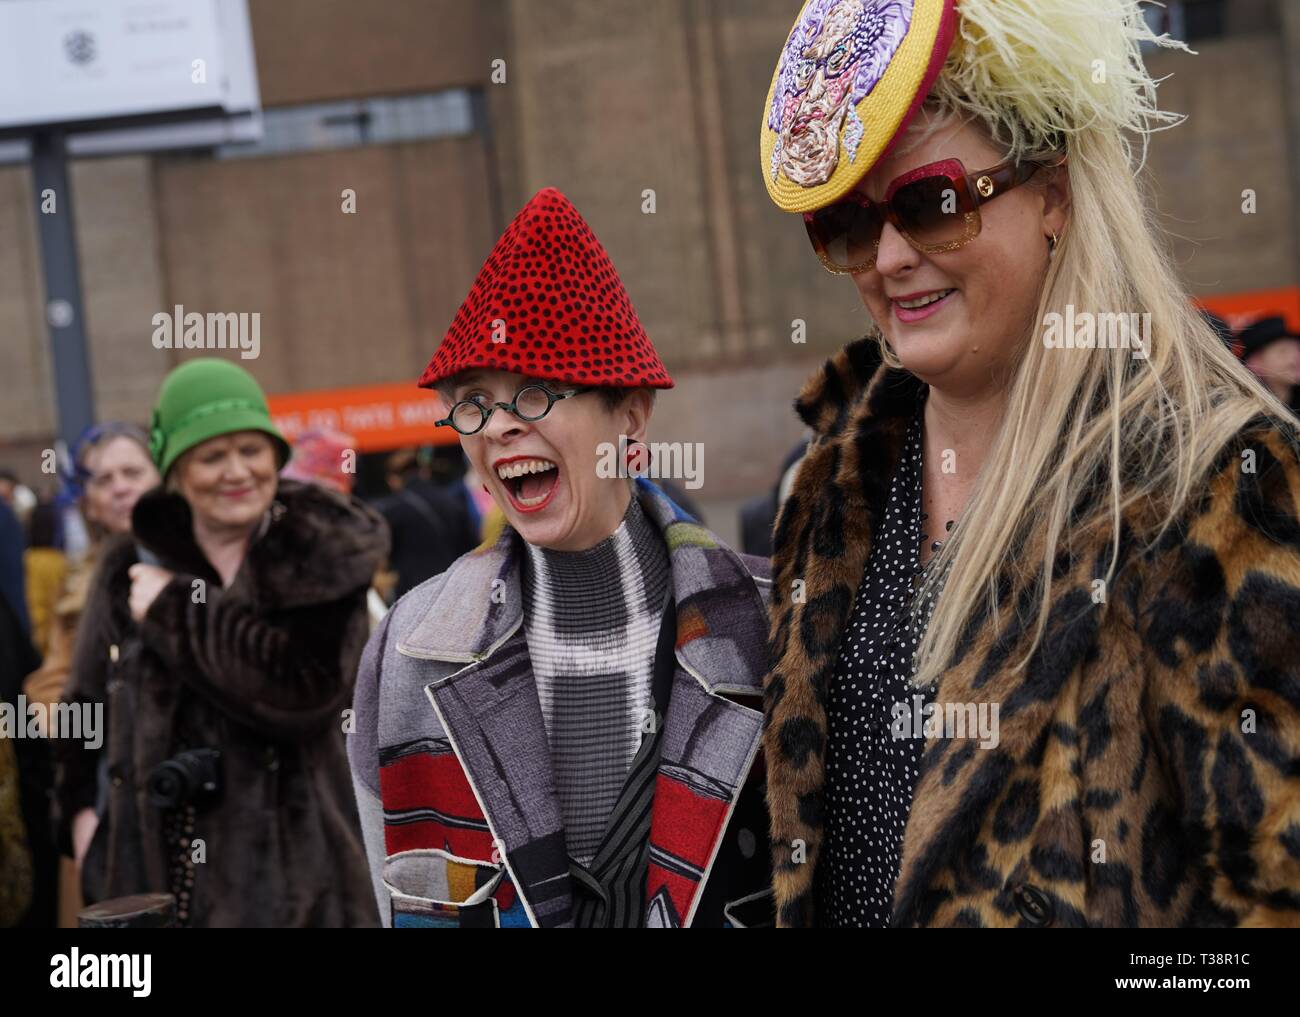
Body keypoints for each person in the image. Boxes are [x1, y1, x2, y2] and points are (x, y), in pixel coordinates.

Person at [758, 0, 1300, 927]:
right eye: (848, 223)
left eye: (929, 204)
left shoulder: (1212, 480)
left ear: (1051, 195)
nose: (888, 257)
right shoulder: (830, 492)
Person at [349, 188, 774, 928]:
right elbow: (389, 897)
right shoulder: (407, 650)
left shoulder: (775, 626)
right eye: (475, 401)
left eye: (538, 392)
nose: (501, 427)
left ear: (631, 417)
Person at [53, 358, 388, 927]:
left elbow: (300, 693)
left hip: (307, 884)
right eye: (212, 456)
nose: (237, 472)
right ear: (177, 472)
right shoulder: (129, 563)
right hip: (158, 883)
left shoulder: (317, 550)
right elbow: (83, 705)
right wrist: (84, 819)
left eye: (253, 451)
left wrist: (173, 611)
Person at [375, 447, 480, 600]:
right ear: (424, 472)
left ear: (394, 479)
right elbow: (472, 545)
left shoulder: (393, 510)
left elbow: (383, 555)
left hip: (413, 593)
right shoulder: (453, 501)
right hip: (453, 588)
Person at [1235, 315, 1300, 415]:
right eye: (1283, 351)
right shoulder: (1247, 413)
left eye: (1297, 350)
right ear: (1255, 363)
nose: (1295, 359)